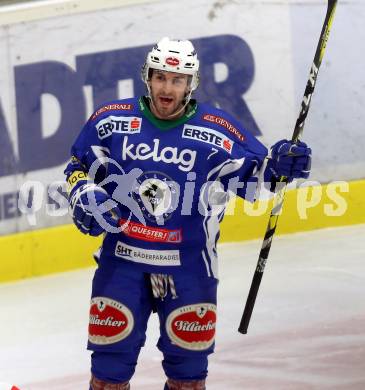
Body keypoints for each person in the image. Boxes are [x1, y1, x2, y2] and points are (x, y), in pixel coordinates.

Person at [64, 37, 311, 390]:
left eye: (177, 80)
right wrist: (83, 192)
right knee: (107, 376)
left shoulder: (219, 130)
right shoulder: (111, 121)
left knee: (188, 381)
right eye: (160, 77)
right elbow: (78, 165)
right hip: (122, 264)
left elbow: (258, 178)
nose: (167, 87)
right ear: (147, 77)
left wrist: (284, 164)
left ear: (190, 84)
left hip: (190, 268)